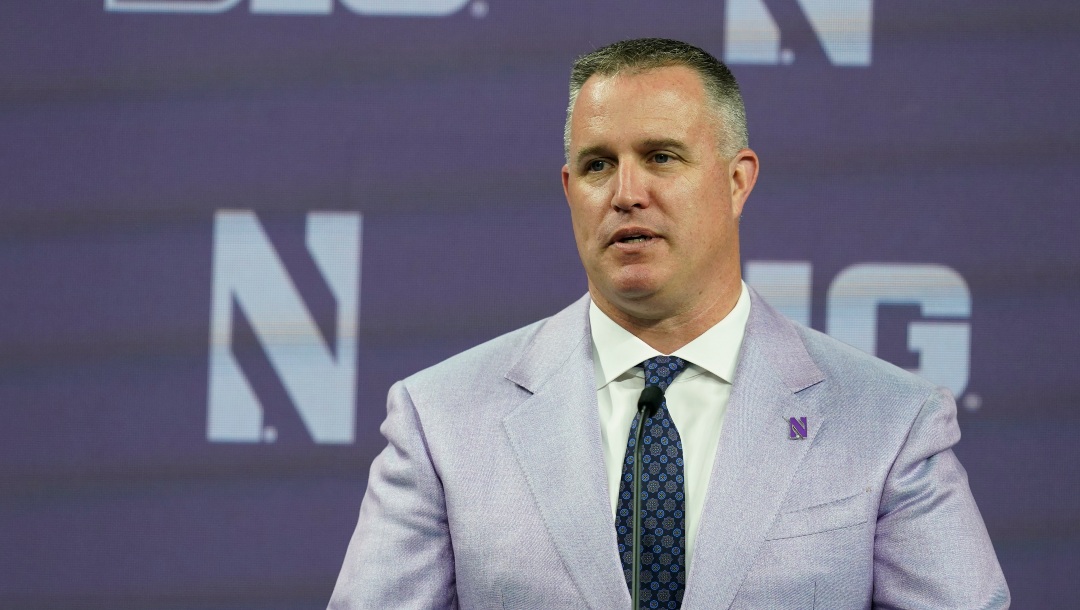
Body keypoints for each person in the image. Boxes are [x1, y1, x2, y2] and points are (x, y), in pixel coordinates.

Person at [328, 38, 1009, 609]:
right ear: (570, 190)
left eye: (660, 157)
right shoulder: (443, 420)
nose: (627, 194)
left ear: (737, 181)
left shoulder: (887, 422)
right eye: (599, 165)